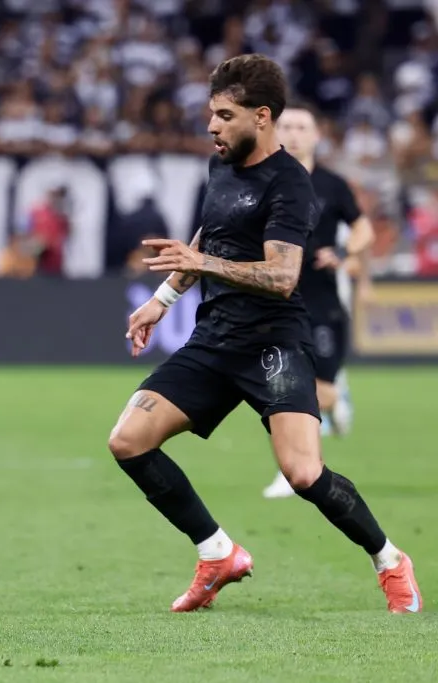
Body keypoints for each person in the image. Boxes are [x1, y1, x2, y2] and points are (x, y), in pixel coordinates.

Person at [109, 54, 421, 613]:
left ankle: (391, 561)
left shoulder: (292, 184)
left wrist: (201, 267)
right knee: (128, 441)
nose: (212, 126)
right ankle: (217, 552)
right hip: (215, 340)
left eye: (224, 116)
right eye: (210, 114)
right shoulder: (220, 165)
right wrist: (162, 300)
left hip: (274, 343)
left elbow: (281, 276)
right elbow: (206, 243)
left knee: (302, 473)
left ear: (261, 116)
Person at [262, 103, 375, 499]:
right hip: (278, 302)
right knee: (282, 389)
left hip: (324, 302)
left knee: (317, 392)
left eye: (301, 127)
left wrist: (346, 256)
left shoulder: (331, 184)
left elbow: (362, 229)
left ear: (316, 136)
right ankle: (290, 469)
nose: (293, 134)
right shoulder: (264, 180)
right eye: (286, 126)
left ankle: (336, 399)